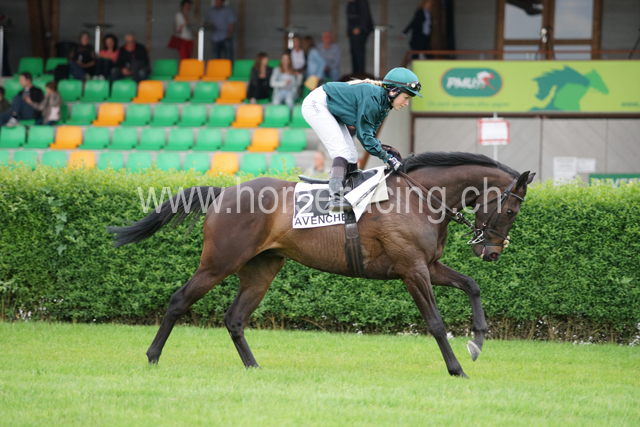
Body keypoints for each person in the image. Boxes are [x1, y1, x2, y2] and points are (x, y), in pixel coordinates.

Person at [301, 67, 422, 210]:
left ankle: (350, 190)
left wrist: (388, 152)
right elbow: (364, 136)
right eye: (406, 98)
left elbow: (369, 137)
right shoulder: (373, 98)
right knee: (342, 151)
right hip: (316, 104)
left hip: (330, 108)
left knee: (352, 155)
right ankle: (336, 198)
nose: (406, 103)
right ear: (393, 91)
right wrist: (387, 157)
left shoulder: (384, 106)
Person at [347, 0, 374, 74]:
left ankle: (360, 73)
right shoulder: (350, 4)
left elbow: (365, 16)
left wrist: (359, 28)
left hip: (361, 31)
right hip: (353, 31)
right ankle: (355, 72)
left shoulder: (362, 2)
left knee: (359, 52)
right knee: (354, 52)